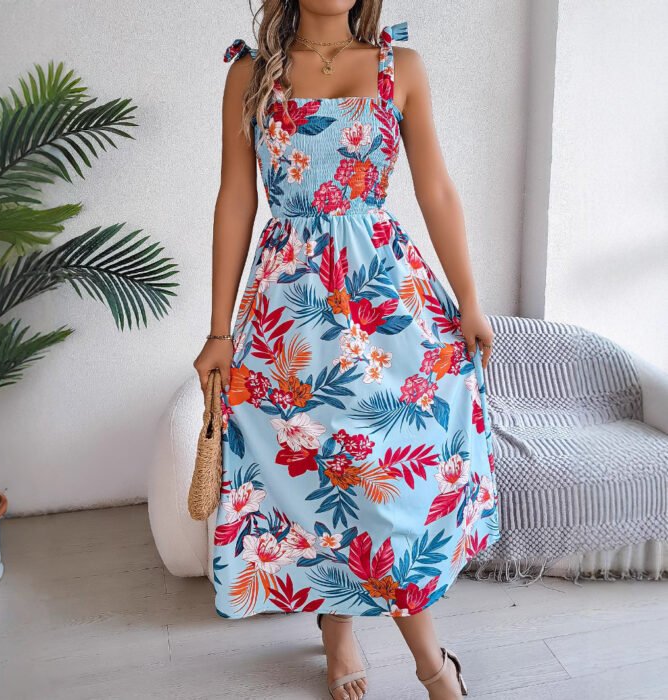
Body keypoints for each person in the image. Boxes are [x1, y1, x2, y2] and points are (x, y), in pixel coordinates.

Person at [194, 1, 500, 698]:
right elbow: (236, 197)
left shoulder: (402, 67)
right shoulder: (249, 75)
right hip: (291, 316)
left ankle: (412, 651)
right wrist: (218, 332)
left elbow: (437, 189)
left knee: (389, 478)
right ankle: (365, 639)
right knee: (323, 473)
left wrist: (470, 300)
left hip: (389, 305)